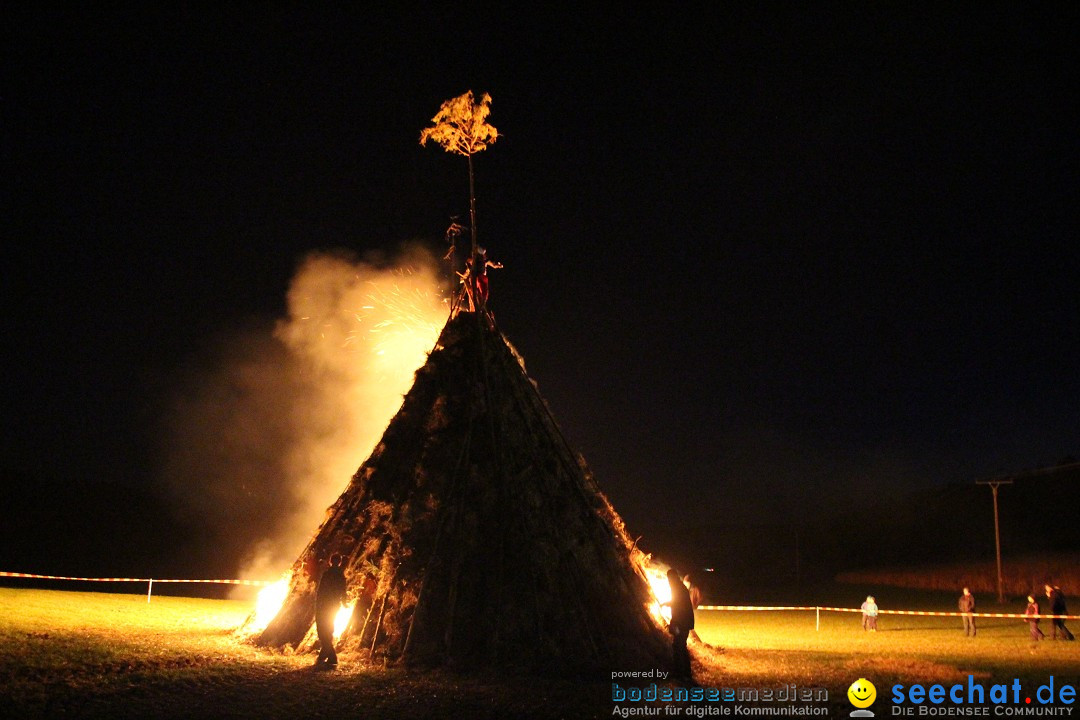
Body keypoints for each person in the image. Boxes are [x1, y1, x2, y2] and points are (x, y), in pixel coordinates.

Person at [314, 553, 348, 669]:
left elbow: (321, 591)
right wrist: (344, 603)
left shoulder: (327, 574)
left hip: (325, 605)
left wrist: (318, 604)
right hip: (334, 605)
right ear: (339, 562)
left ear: (330, 561)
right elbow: (343, 591)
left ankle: (332, 657)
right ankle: (323, 656)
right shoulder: (341, 575)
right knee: (328, 629)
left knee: (323, 630)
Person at [662, 568, 695, 681]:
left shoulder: (678, 588)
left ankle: (680, 673)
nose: (668, 580)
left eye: (669, 578)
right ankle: (685, 672)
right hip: (683, 622)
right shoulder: (679, 587)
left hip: (682, 622)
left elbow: (678, 604)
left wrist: (667, 604)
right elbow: (677, 603)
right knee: (680, 645)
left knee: (678, 645)